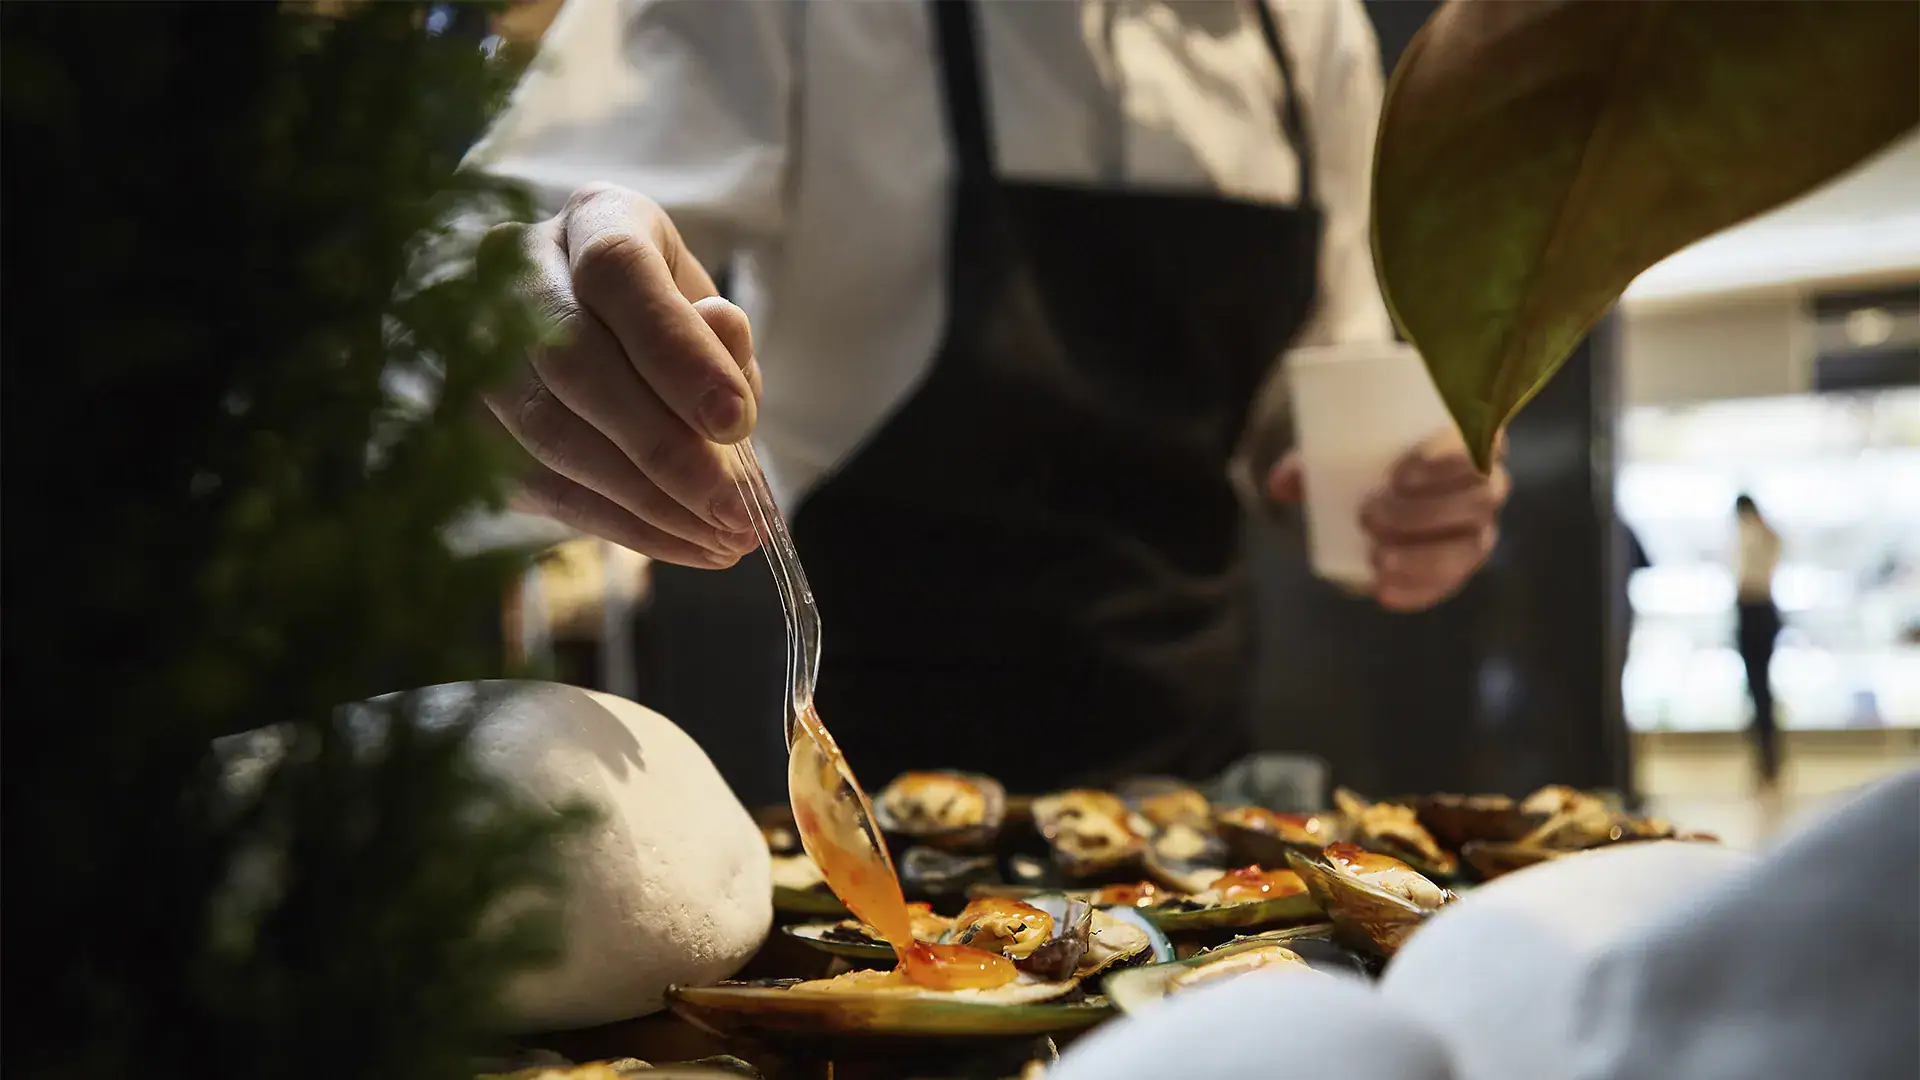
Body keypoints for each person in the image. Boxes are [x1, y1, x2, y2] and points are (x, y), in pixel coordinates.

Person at [464, 0, 1510, 791]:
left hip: (1195, 801)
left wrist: (1391, 491)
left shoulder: (1307, 25)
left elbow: (1310, 388)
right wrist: (513, 317)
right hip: (870, 794)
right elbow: (471, 266)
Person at [1733, 493, 1783, 789]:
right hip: (1761, 611)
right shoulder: (1767, 534)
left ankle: (1767, 756)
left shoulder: (1752, 533)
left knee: (1758, 687)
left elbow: (1747, 578)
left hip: (1755, 610)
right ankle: (1767, 756)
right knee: (1759, 688)